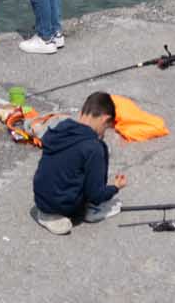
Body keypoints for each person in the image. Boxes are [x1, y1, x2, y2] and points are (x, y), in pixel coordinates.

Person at [30, 91, 130, 235]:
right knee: (97, 191)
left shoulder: (60, 128)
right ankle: (79, 212)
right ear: (104, 119)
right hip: (63, 206)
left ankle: (48, 213)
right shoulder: (94, 147)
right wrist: (114, 187)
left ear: (83, 111)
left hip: (41, 199)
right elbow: (96, 195)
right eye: (106, 128)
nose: (103, 133)